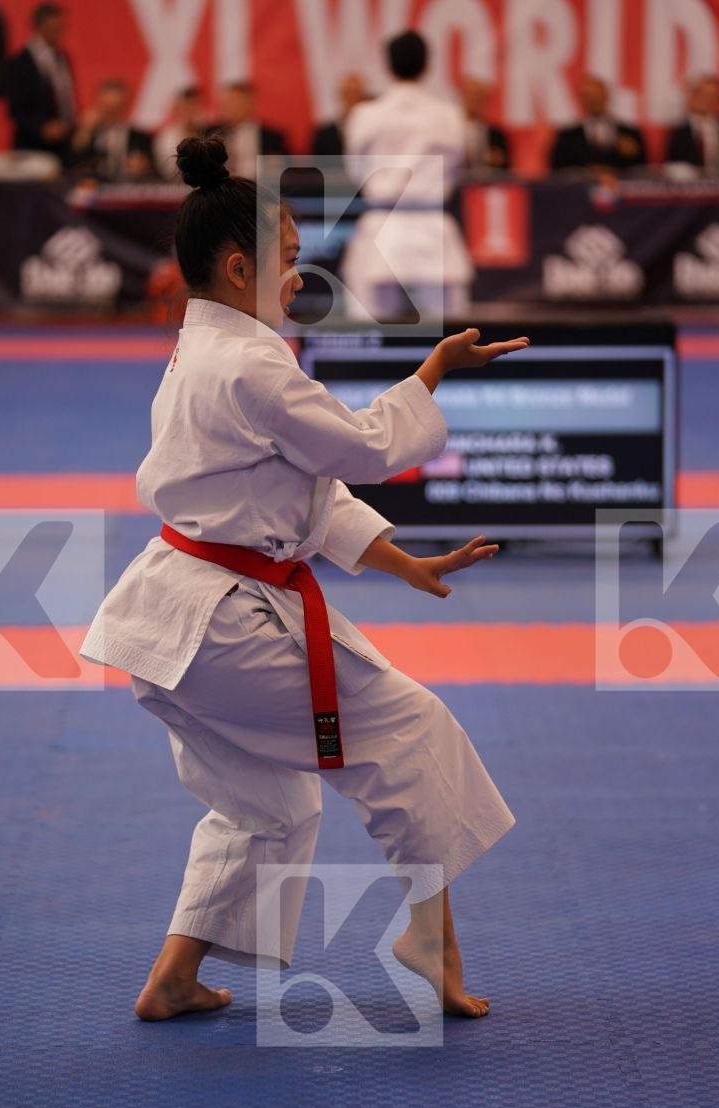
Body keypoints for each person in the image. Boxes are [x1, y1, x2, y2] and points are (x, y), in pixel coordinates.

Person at [79, 133, 527, 1022]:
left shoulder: (201, 354)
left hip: (173, 620)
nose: (296, 279)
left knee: (269, 805)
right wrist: (431, 371)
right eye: (287, 262)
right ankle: (431, 937)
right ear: (239, 266)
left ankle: (173, 977)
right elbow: (358, 449)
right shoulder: (249, 363)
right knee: (413, 731)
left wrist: (399, 560)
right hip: (217, 622)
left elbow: (285, 489)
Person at [342, 31, 472, 321]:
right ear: (427, 66)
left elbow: (355, 171)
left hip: (382, 224)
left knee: (367, 327)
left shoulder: (366, 114)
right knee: (452, 329)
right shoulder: (449, 115)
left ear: (387, 66)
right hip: (431, 224)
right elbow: (458, 167)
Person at [5, 3, 78, 167]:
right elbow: (15, 109)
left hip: (64, 144)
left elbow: (66, 99)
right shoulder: (19, 63)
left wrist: (71, 125)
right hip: (32, 145)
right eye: (54, 27)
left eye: (61, 27)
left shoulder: (62, 58)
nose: (59, 32)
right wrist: (42, 127)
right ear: (39, 26)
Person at [550, 74, 646, 173]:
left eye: (597, 95)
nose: (593, 100)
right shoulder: (568, 136)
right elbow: (557, 170)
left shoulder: (629, 132)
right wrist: (588, 172)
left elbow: (643, 168)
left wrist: (633, 154)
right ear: (581, 99)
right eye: (588, 96)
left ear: (607, 96)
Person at [73, 80, 156, 182]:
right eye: (107, 108)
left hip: (127, 190)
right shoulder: (85, 135)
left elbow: (156, 172)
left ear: (126, 106)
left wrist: (144, 167)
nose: (111, 114)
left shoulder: (142, 138)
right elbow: (71, 166)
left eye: (116, 108)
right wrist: (85, 131)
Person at [665, 75, 719, 175]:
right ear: (690, 96)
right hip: (690, 189)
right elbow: (671, 170)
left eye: (712, 96)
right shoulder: (678, 134)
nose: (706, 100)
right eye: (701, 94)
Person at [216, 82, 290, 179]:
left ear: (251, 102)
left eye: (236, 101)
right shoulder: (213, 133)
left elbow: (285, 171)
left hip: (259, 188)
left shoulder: (272, 137)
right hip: (222, 190)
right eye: (227, 101)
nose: (230, 106)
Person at [154, 86, 216, 181]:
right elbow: (168, 169)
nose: (190, 111)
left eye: (194, 105)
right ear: (179, 109)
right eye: (186, 107)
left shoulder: (212, 133)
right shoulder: (167, 137)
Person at [311, 72, 368, 159]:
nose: (353, 98)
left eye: (357, 93)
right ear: (341, 95)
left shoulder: (376, 129)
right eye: (348, 93)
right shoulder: (325, 135)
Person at [458, 77, 510, 171]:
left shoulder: (496, 134)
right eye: (470, 96)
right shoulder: (448, 130)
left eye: (478, 97)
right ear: (462, 97)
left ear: (485, 100)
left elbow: (505, 165)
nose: (473, 101)